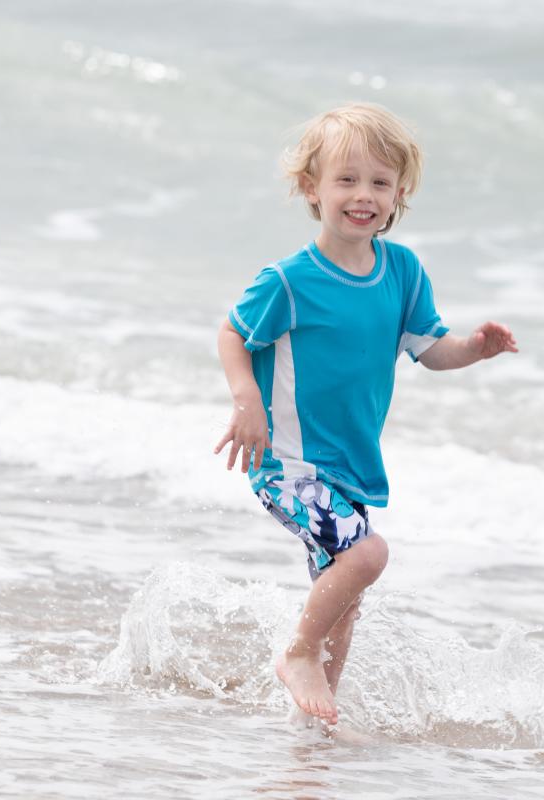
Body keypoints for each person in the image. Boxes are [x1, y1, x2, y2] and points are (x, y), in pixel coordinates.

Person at [214, 102, 518, 726]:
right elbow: (231, 333)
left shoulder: (402, 271)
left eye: (380, 183)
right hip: (288, 463)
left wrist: (475, 350)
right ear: (312, 187)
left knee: (346, 600)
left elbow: (430, 350)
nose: (364, 195)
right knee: (368, 557)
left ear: (399, 193)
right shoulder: (289, 280)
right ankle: (297, 656)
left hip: (350, 468)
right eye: (347, 179)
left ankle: (316, 723)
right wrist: (246, 400)